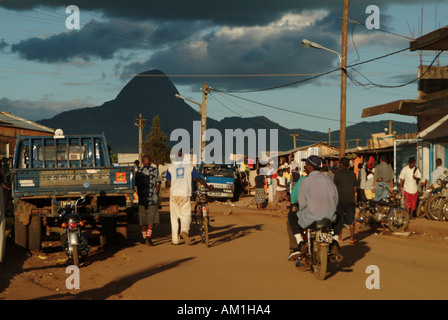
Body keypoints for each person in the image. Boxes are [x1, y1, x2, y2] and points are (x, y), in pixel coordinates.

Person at [287, 155, 340, 261]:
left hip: (311, 216)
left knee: (291, 216)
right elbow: (336, 200)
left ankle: (300, 243)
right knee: (339, 216)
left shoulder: (305, 181)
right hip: (329, 216)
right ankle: (335, 241)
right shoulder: (329, 181)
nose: (305, 167)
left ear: (310, 167)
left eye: (306, 165)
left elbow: (302, 203)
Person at [165, 149, 213, 245]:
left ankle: (175, 240)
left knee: (174, 217)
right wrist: (207, 186)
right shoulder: (189, 166)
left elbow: (169, 182)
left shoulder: (170, 167)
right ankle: (184, 231)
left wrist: (171, 185)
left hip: (174, 193)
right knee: (185, 215)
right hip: (185, 193)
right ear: (183, 156)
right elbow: (198, 178)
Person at [135, 155, 161, 246]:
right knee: (151, 219)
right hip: (152, 199)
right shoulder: (155, 170)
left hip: (142, 199)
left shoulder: (139, 171)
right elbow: (158, 184)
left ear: (142, 162)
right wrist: (157, 195)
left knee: (143, 219)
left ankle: (144, 237)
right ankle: (149, 238)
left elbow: (137, 185)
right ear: (150, 162)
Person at [334, 157, 357, 244]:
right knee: (351, 220)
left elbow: (335, 188)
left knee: (339, 219)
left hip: (340, 200)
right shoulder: (353, 174)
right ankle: (351, 238)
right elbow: (355, 188)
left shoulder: (338, 174)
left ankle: (339, 238)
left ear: (341, 165)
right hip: (350, 200)